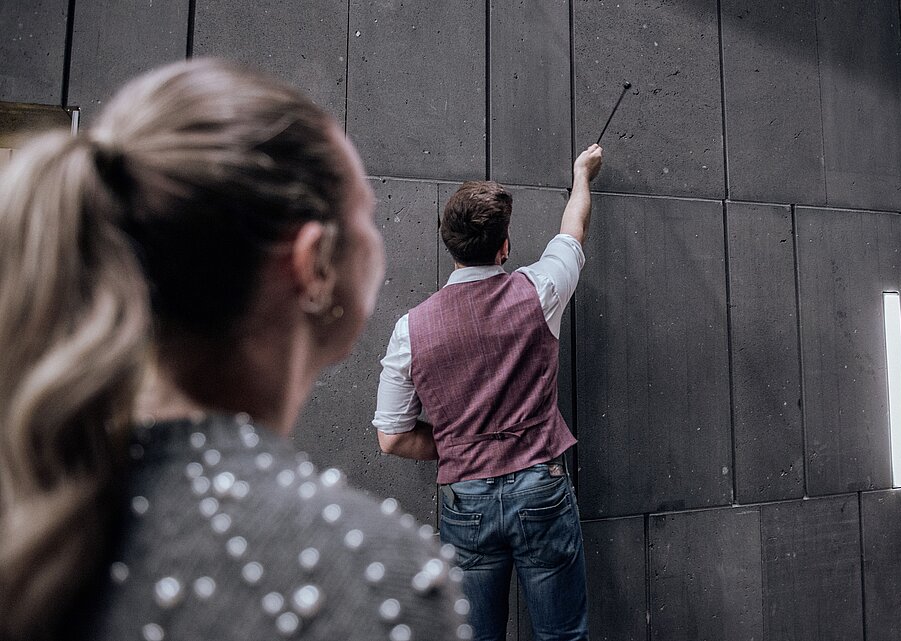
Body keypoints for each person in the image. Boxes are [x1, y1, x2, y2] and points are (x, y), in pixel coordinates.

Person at [0, 58, 469, 641]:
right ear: (314, 265)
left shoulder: (34, 521)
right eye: (367, 214)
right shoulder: (376, 580)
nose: (378, 235)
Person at [373, 144, 603, 641]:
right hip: (540, 485)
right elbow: (572, 233)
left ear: (449, 244)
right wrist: (583, 174)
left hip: (467, 501)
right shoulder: (539, 291)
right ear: (503, 246)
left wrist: (460, 445)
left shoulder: (409, 331)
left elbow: (391, 437)